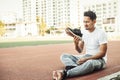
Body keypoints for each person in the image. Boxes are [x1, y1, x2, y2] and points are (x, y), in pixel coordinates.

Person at [53, 10, 108, 80]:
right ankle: (76, 68)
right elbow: (80, 50)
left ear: (94, 22)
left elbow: (102, 53)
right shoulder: (84, 33)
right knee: (64, 56)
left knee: (90, 63)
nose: (85, 24)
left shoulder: (101, 33)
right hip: (86, 56)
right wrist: (76, 44)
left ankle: (65, 73)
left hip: (99, 60)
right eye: (84, 22)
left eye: (87, 22)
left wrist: (86, 59)